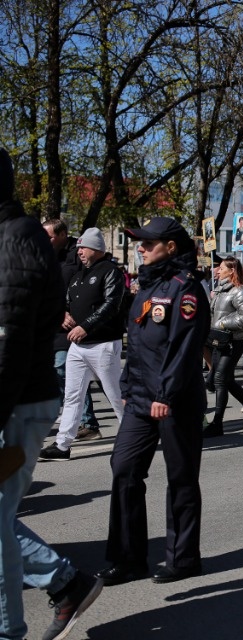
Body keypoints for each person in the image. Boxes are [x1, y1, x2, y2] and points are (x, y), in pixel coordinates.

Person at [0, 149, 103, 640]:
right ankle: (64, 586)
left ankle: (49, 596)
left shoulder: (14, 240)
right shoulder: (11, 236)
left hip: (14, 407)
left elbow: (9, 336)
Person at [98, 217, 210, 587]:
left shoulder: (187, 290)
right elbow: (136, 341)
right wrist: (128, 384)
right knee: (123, 469)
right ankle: (129, 558)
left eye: (148, 243)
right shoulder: (145, 288)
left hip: (174, 399)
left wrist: (166, 394)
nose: (140, 248)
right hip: (141, 398)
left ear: (171, 247)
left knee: (180, 477)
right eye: (138, 243)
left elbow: (183, 348)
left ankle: (183, 558)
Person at [40, 228, 126, 460]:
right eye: (78, 247)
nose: (79, 252)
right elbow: (67, 302)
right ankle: (62, 445)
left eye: (83, 247)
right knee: (72, 396)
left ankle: (133, 435)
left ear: (97, 249)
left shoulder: (111, 272)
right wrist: (64, 314)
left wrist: (85, 326)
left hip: (103, 345)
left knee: (116, 394)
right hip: (78, 347)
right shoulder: (79, 276)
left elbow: (111, 305)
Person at [42, 218, 102, 442]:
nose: (45, 240)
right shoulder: (46, 255)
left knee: (67, 371)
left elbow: (83, 287)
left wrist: (68, 313)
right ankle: (83, 422)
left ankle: (87, 422)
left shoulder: (78, 253)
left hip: (75, 323)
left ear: (62, 234)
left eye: (49, 236)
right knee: (67, 373)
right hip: (53, 322)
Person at [204, 256, 243, 437]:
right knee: (225, 381)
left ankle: (217, 423)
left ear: (232, 271)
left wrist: (222, 323)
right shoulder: (220, 290)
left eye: (221, 268)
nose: (217, 271)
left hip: (232, 342)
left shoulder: (240, 291)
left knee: (220, 379)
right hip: (218, 341)